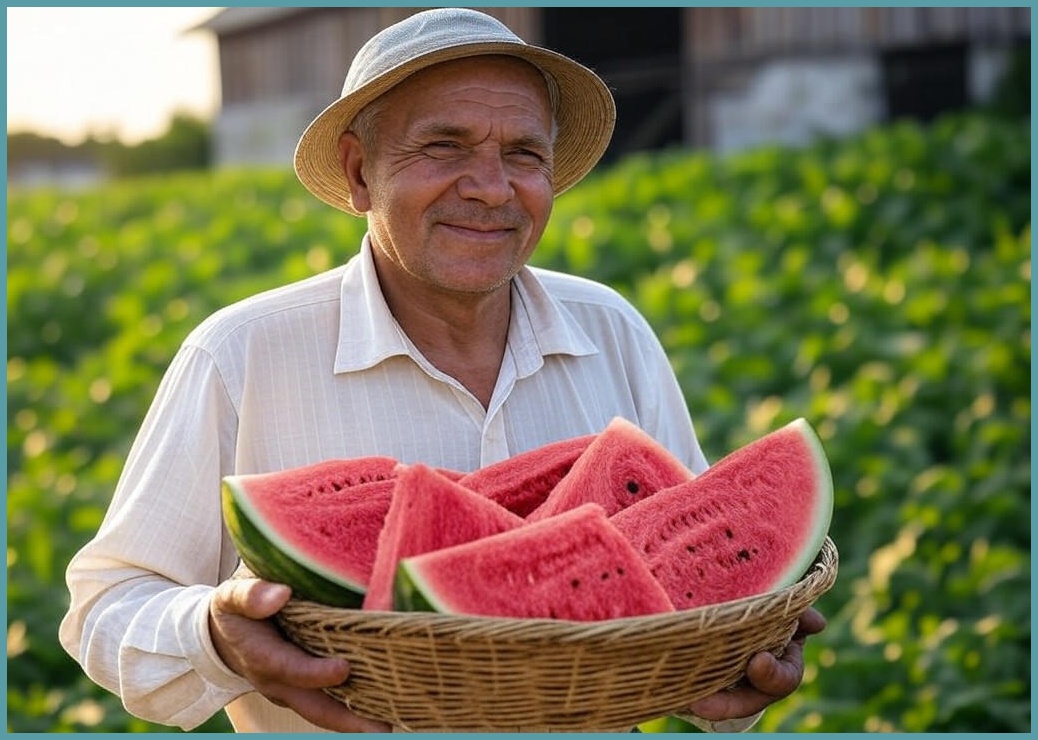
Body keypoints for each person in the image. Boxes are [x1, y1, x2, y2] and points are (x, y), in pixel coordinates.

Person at [59, 7, 825, 733]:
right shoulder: (241, 355)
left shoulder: (612, 331)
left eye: (523, 154)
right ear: (360, 173)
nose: (491, 187)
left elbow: (686, 583)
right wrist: (214, 635)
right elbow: (107, 606)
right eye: (444, 147)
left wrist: (737, 667)